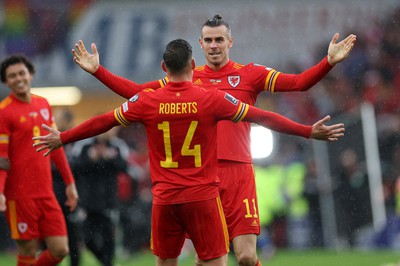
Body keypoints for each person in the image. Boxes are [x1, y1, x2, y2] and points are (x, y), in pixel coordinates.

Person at [71, 14, 356, 266]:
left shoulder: (250, 74)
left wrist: (327, 62)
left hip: (238, 172)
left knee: (245, 256)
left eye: (219, 39)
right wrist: (98, 71)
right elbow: (136, 93)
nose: (214, 45)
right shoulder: (185, 77)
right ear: (201, 44)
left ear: (230, 42)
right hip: (201, 179)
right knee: (206, 258)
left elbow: (299, 82)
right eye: (208, 40)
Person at [0, 55, 79, 266]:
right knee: (28, 249)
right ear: (6, 82)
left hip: (46, 192)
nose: (18, 78)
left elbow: (56, 146)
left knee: (60, 249)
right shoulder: (4, 112)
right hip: (19, 194)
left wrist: (70, 183)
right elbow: (2, 159)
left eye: (21, 73)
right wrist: (0, 191)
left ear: (30, 74)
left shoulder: (43, 104)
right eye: (12, 76)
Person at [72, 127, 128, 266]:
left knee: (109, 239)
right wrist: (90, 159)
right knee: (87, 239)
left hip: (108, 201)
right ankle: (105, 261)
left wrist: (111, 159)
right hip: (88, 202)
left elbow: (124, 167)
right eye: (110, 129)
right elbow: (75, 168)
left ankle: (108, 261)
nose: (112, 132)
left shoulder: (117, 146)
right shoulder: (85, 146)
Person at [52, 108, 83, 266]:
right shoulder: (49, 140)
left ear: (68, 121)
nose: (54, 122)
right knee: (49, 239)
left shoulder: (77, 142)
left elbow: (80, 165)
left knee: (73, 238)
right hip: (53, 196)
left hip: (71, 198)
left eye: (57, 119)